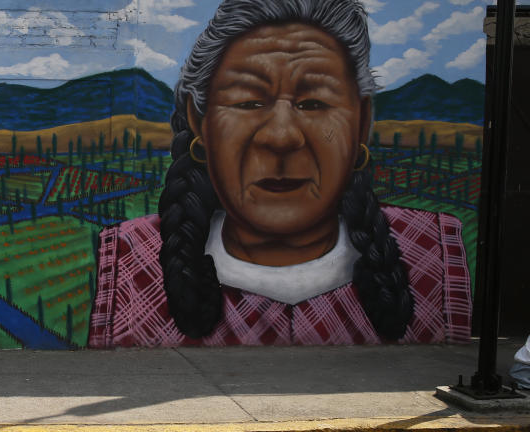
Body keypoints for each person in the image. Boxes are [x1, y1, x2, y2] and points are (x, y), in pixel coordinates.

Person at [89, 0, 472, 347]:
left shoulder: (429, 251)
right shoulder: (131, 261)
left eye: (314, 102)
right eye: (249, 101)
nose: (282, 135)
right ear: (199, 122)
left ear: (362, 122)